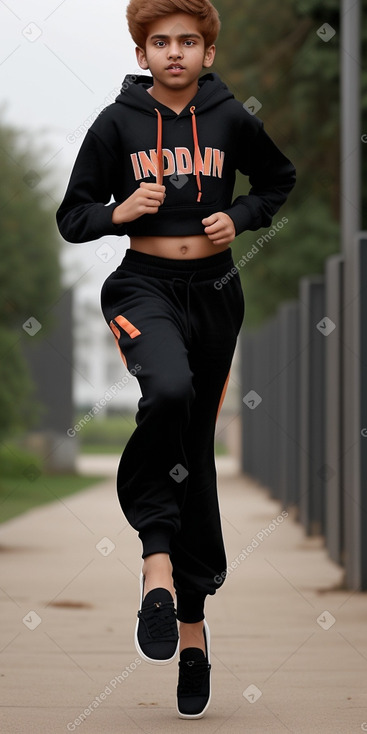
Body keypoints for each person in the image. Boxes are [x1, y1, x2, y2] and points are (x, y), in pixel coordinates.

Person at [56, 0, 296, 719]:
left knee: (191, 445)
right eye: (159, 42)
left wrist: (243, 216)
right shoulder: (116, 124)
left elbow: (276, 181)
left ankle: (189, 631)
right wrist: (120, 212)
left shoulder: (229, 119)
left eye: (187, 41)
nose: (173, 53)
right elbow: (73, 217)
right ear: (142, 54)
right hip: (143, 284)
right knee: (165, 393)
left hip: (216, 291)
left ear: (207, 53)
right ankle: (154, 565)